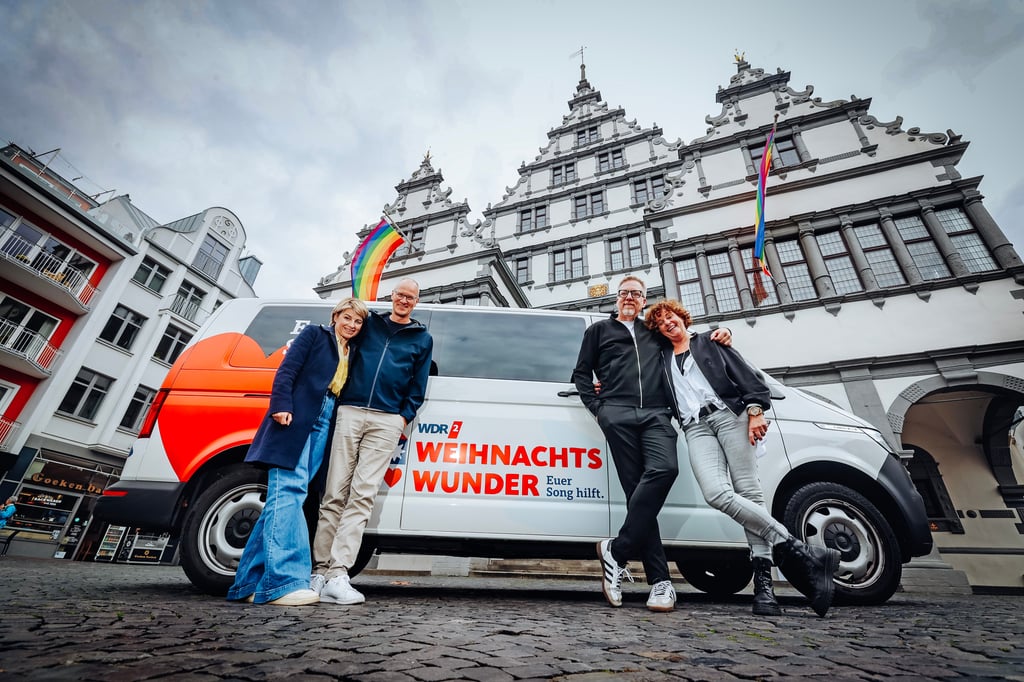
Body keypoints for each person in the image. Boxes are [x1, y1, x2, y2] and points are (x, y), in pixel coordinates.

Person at [644, 298, 840, 618]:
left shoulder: (711, 341)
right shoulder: (661, 358)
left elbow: (747, 377)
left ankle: (764, 589)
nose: (667, 322)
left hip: (730, 416)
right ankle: (802, 552)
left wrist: (755, 411)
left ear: (682, 318)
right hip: (696, 427)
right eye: (660, 321)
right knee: (716, 493)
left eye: (671, 316)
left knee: (749, 493)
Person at [572, 275, 731, 612]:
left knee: (664, 471)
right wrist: (599, 410)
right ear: (617, 299)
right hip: (617, 414)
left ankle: (617, 551)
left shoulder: (653, 331)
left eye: (637, 294)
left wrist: (721, 336)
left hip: (657, 414)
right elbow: (582, 374)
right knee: (638, 498)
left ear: (645, 301)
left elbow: (684, 339)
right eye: (625, 293)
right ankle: (661, 583)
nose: (630, 297)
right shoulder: (598, 331)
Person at [227, 297, 368, 606]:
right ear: (336, 316)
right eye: (347, 318)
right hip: (298, 415)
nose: (352, 325)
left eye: (357, 322)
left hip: (326, 418)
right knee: (289, 490)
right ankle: (283, 584)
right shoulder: (315, 335)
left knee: (290, 495)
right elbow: (287, 370)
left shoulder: (351, 350)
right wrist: (280, 406)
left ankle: (247, 584)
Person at [312, 278, 433, 605]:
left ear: (416, 301)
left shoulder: (422, 338)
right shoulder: (369, 324)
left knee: (362, 495)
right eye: (400, 295)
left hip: (386, 420)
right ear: (391, 296)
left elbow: (419, 383)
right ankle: (319, 571)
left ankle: (338, 572)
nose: (404, 301)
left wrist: (402, 416)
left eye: (410, 297)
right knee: (334, 492)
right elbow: (341, 343)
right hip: (350, 410)